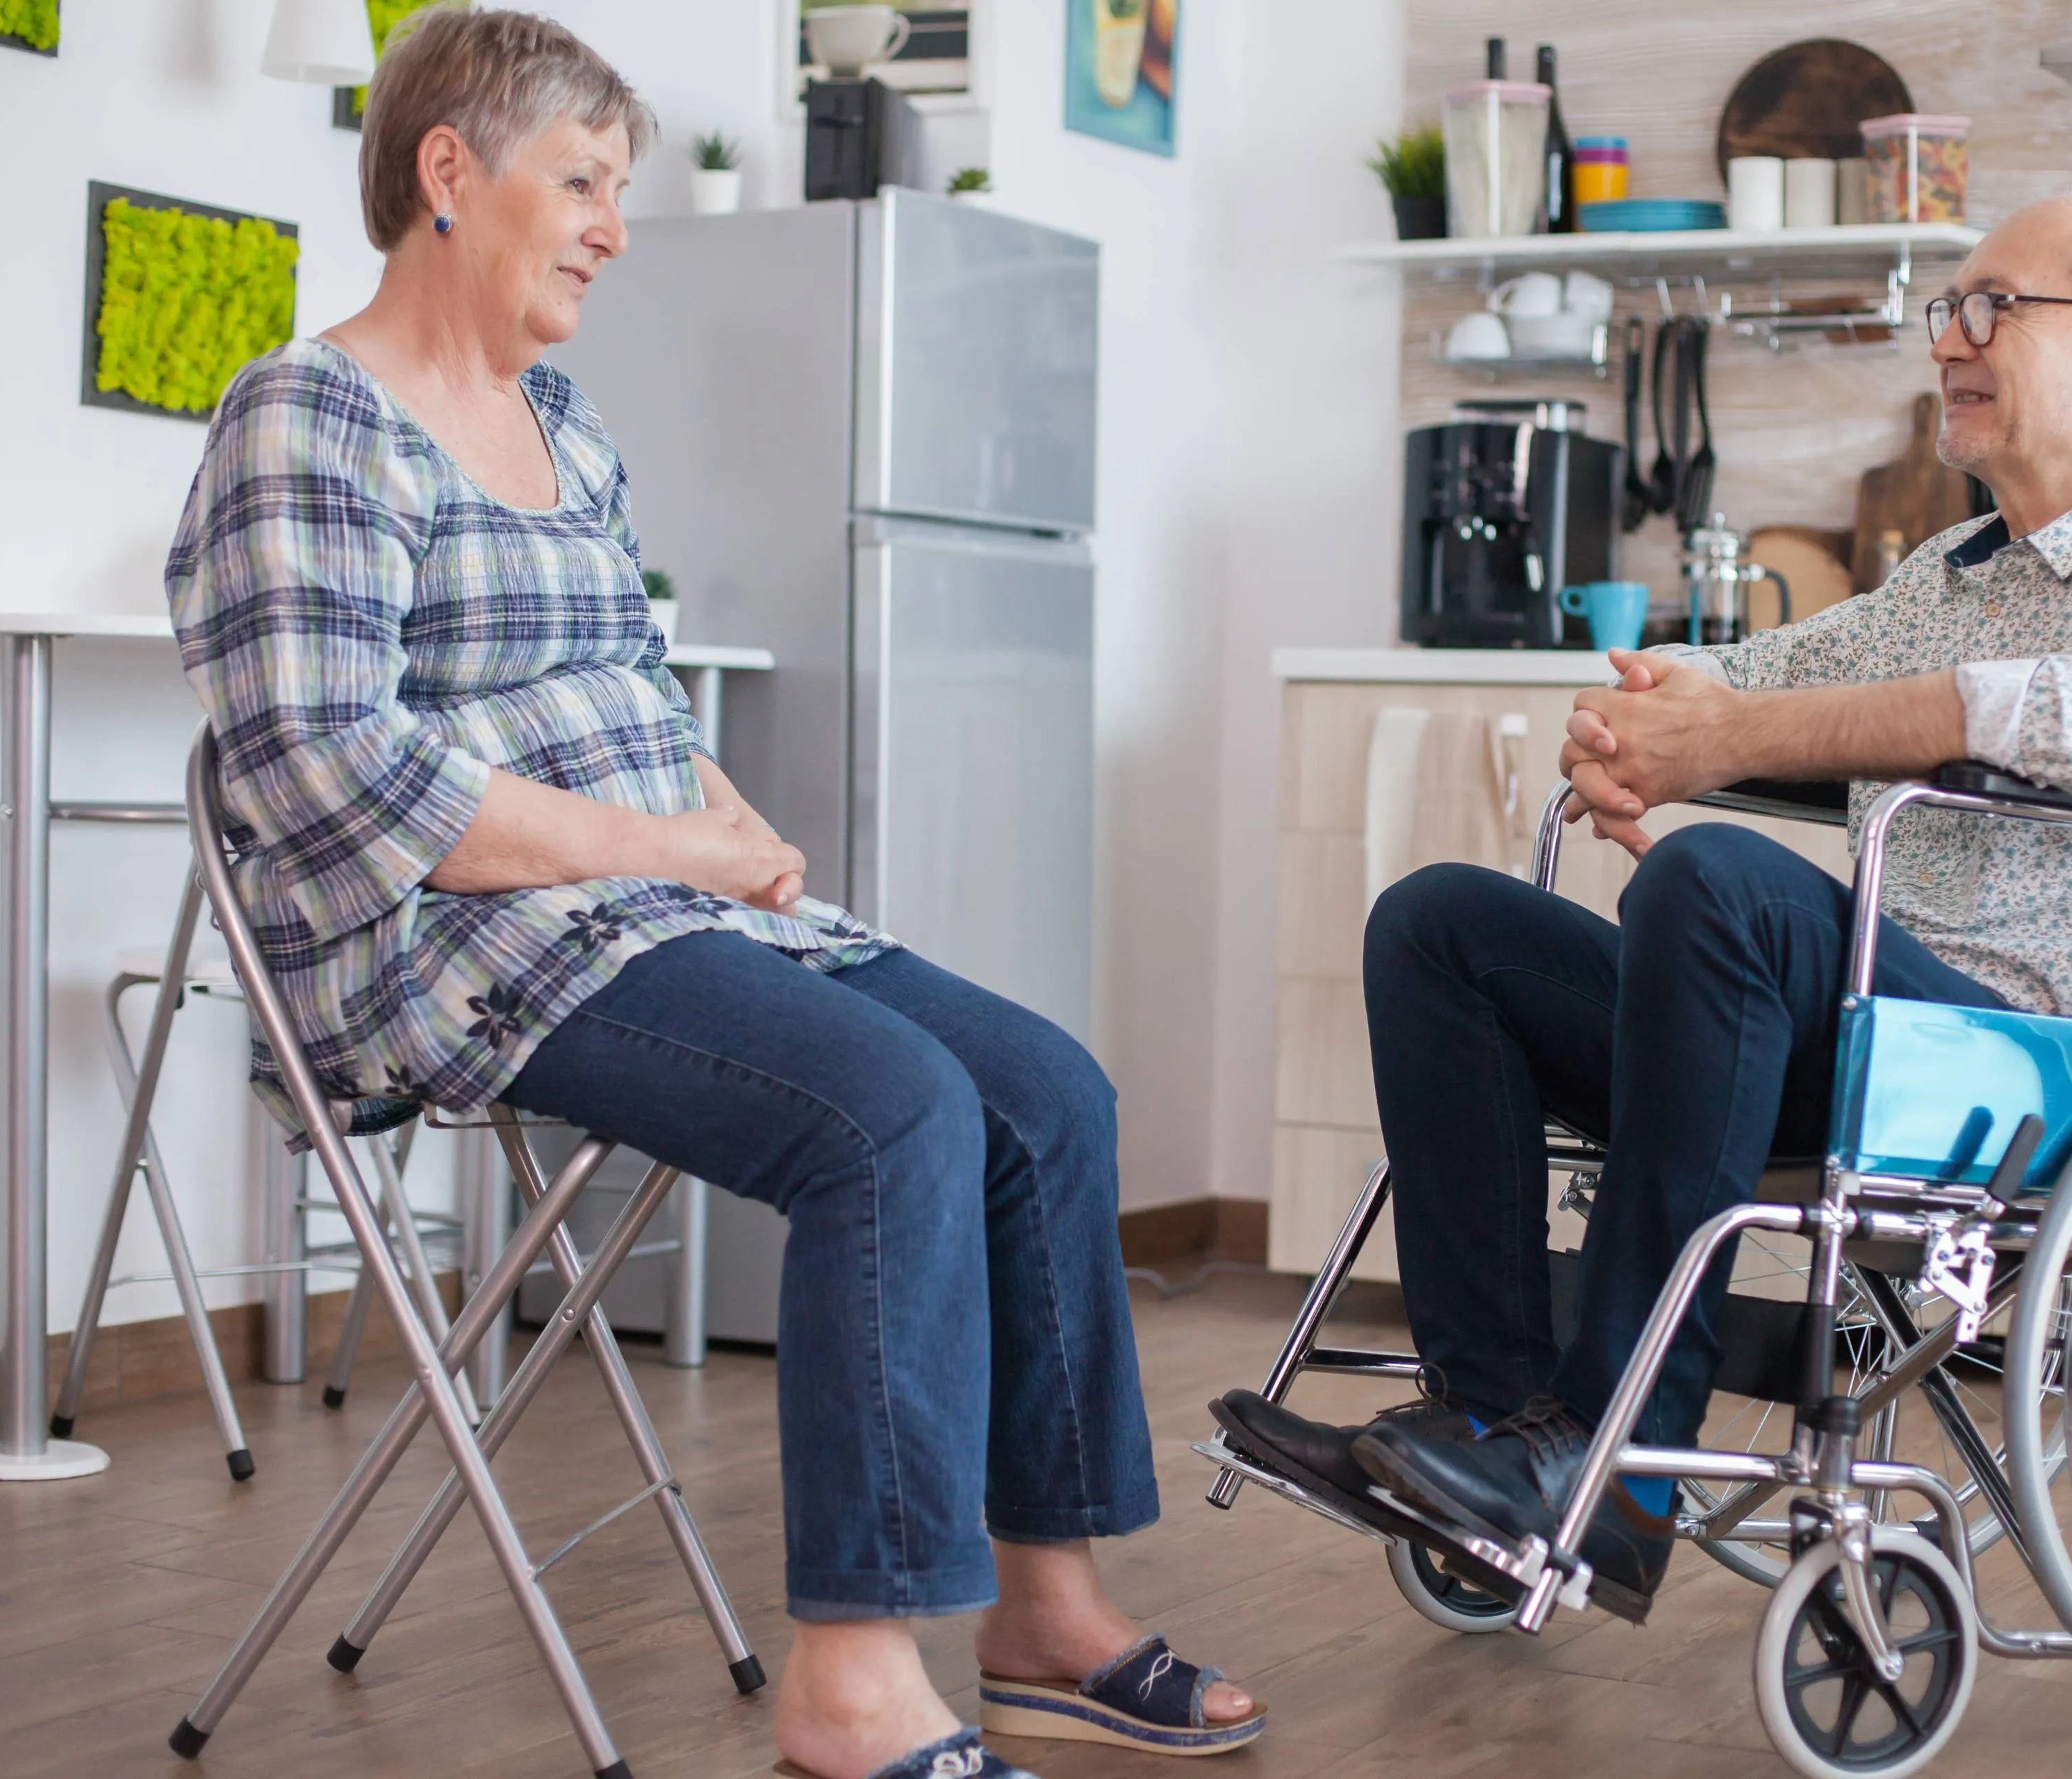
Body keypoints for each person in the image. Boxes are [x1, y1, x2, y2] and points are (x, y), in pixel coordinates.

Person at [163, 13, 1259, 1779]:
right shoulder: (306, 415)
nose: (612, 223)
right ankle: (853, 1684)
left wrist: (733, 831)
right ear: (449, 170)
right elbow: (327, 777)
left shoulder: (565, 425)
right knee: (887, 1110)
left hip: (659, 914)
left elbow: (639, 703)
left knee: (1044, 1090)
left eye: (622, 188)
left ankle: (1047, 1614)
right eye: (582, 181)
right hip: (456, 944)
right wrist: (680, 853)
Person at [1213, 193, 2072, 1617]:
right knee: (1442, 924)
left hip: (2066, 1058)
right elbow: (1756, 683)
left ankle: (1612, 1463)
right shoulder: (1952, 571)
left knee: (1718, 877)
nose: (1953, 341)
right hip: (1887, 1033)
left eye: (1995, 306)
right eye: (1949, 311)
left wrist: (1730, 744)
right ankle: (1494, 1433)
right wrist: (1651, 722)